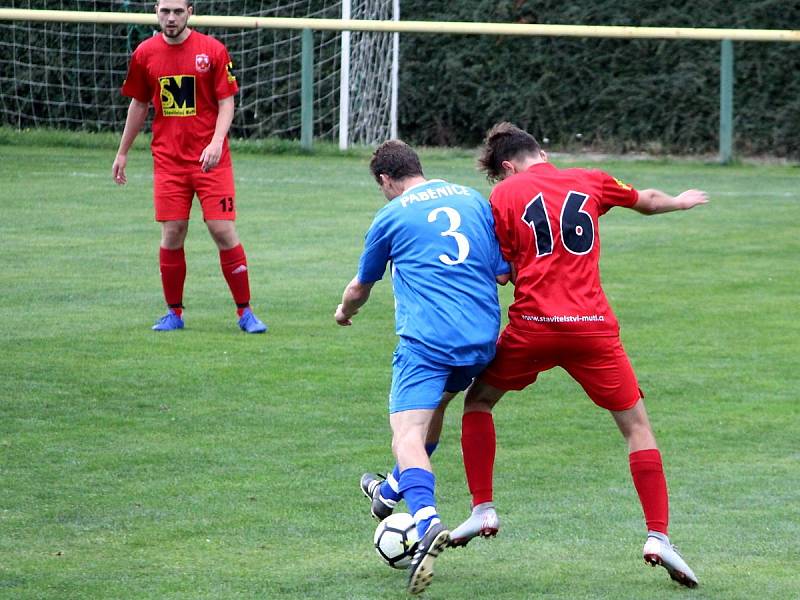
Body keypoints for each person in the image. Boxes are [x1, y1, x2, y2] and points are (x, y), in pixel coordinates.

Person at [450, 122, 708, 589]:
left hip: (533, 328)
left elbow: (502, 273)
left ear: (507, 166)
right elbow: (646, 200)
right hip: (593, 330)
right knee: (636, 427)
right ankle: (658, 537)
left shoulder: (503, 197)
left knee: (479, 402)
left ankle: (483, 509)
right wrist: (678, 202)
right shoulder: (590, 179)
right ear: (541, 152)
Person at [335, 140, 510, 595]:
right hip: (481, 341)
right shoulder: (471, 198)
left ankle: (426, 521)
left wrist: (344, 312)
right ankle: (389, 492)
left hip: (429, 344)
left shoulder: (390, 216)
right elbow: (501, 271)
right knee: (435, 410)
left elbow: (361, 286)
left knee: (406, 434)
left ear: (385, 180)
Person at [112, 0, 266, 333]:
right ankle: (174, 313)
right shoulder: (145, 54)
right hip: (169, 162)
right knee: (173, 231)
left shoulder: (212, 51)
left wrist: (215, 141)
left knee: (222, 229)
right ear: (156, 11)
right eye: (165, 11)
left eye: (177, 12)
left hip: (212, 161)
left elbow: (227, 102)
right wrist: (123, 151)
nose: (170, 18)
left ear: (190, 12)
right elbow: (139, 103)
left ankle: (245, 312)